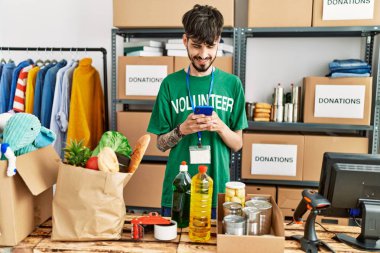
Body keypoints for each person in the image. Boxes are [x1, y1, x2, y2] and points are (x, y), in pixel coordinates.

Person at [147, 4, 248, 219]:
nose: (203, 54)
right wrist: (182, 129)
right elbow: (160, 144)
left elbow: (238, 144)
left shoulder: (232, 85)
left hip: (218, 194)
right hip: (179, 192)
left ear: (218, 40)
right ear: (185, 41)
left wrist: (221, 127)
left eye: (210, 46)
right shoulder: (170, 84)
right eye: (196, 46)